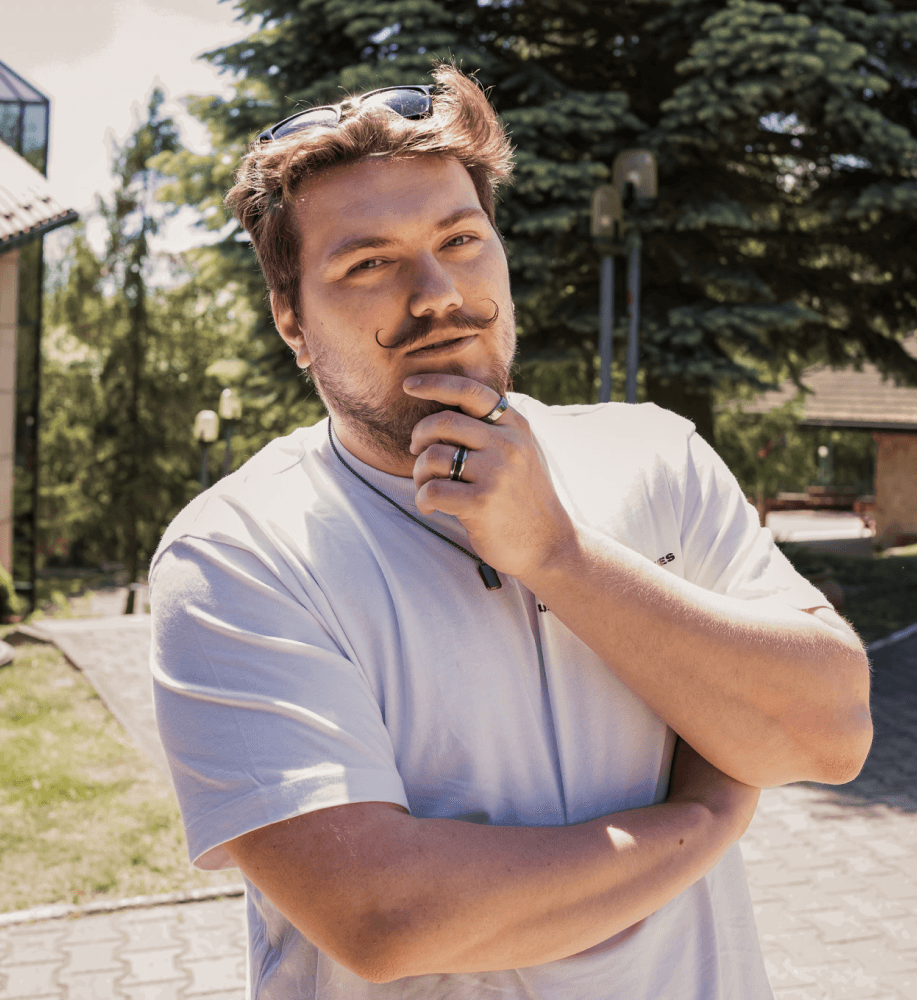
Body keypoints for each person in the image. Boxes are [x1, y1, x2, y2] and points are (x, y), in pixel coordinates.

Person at [150, 64, 872, 999]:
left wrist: (559, 558)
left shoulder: (657, 455)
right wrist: (705, 815)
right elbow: (386, 915)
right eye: (367, 263)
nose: (437, 292)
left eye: (461, 238)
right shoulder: (238, 554)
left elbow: (829, 734)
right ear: (292, 319)